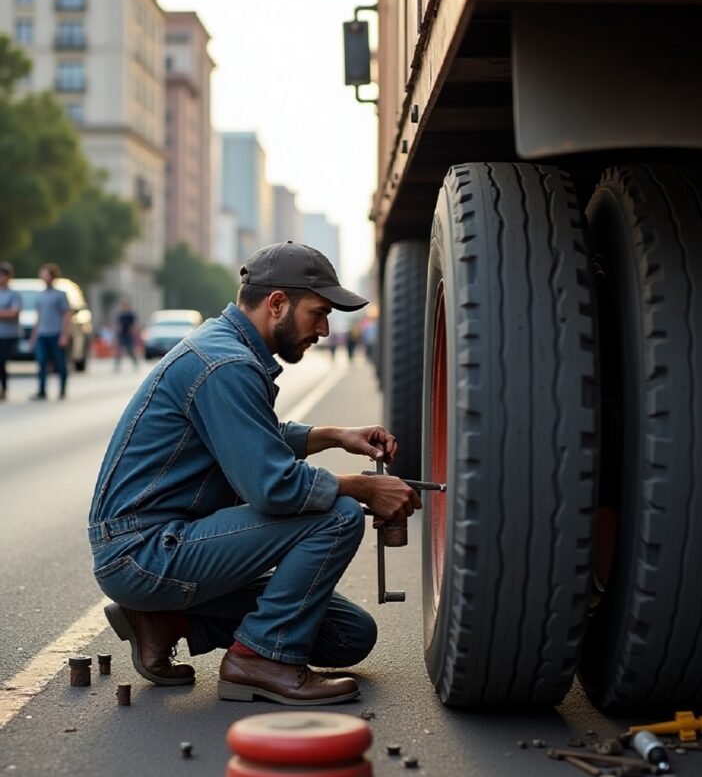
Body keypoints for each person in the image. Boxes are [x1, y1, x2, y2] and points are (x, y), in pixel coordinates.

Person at [89, 242, 421, 705]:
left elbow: (249, 438)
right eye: (319, 313)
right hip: (144, 552)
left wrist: (334, 435)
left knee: (349, 636)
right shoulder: (225, 364)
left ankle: (165, 621)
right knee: (338, 514)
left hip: (163, 543)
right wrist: (366, 487)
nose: (325, 329)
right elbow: (274, 487)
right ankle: (259, 660)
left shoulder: (223, 347)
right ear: (278, 304)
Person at [30, 263, 71, 400]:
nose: (42, 276)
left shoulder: (60, 295)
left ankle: (62, 389)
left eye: (45, 273)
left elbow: (66, 315)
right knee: (41, 362)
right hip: (42, 334)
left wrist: (64, 335)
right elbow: (38, 317)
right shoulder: (40, 295)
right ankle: (42, 390)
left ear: (52, 276)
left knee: (60, 363)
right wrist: (33, 336)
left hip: (56, 333)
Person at [0, 261, 22, 401]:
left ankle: (4, 388)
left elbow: (14, 313)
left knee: (1, 361)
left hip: (9, 334)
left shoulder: (13, 294)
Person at [114, 298, 137, 370]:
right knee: (119, 351)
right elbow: (118, 325)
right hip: (121, 335)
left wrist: (132, 332)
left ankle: (135, 363)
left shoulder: (131, 315)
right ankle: (117, 366)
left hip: (128, 335)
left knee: (130, 351)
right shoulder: (121, 315)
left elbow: (133, 325)